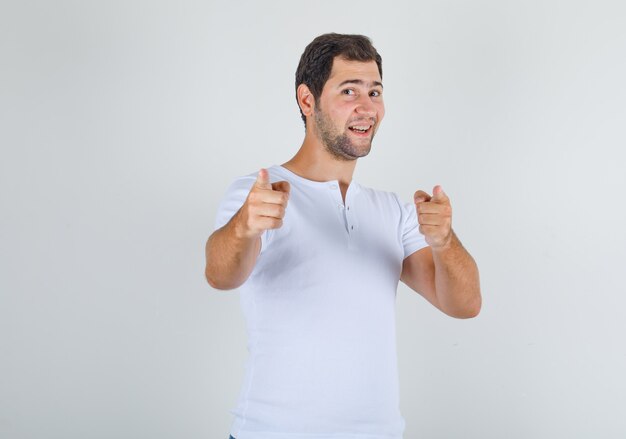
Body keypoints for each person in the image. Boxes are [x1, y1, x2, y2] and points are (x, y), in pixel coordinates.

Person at [205, 32, 481, 439]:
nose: (366, 107)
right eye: (348, 90)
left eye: (374, 91)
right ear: (307, 100)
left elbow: (464, 304)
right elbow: (220, 274)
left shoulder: (393, 212)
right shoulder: (261, 194)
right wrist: (245, 226)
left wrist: (444, 241)